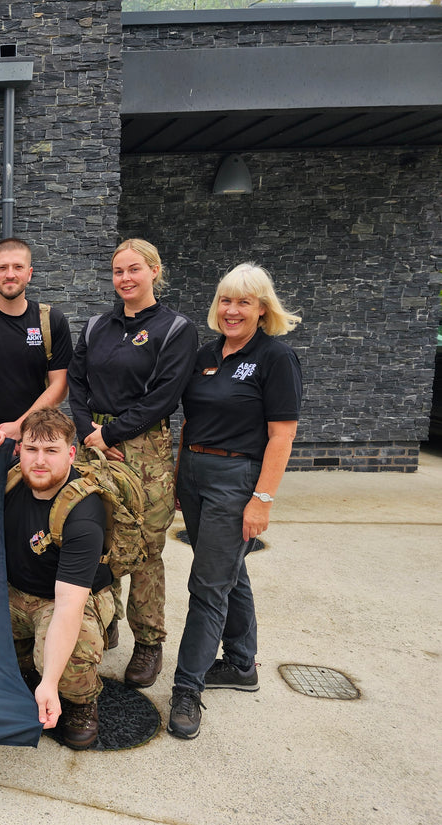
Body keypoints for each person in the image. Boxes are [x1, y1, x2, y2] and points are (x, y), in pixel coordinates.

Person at [167, 263, 302, 740]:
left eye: (244, 301)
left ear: (263, 308)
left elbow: (282, 436)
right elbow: (188, 422)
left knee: (207, 584)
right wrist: (182, 477)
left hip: (236, 479)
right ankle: (242, 665)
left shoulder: (275, 357)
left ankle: (187, 687)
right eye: (226, 300)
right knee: (229, 573)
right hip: (196, 476)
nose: (232, 310)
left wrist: (262, 499)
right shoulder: (206, 355)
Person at [68, 238, 198, 689]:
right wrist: (88, 432)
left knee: (142, 548)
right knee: (97, 539)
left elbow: (165, 394)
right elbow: (76, 382)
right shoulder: (97, 326)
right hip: (93, 446)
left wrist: (111, 433)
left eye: (134, 270)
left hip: (143, 450)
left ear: (154, 271)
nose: (125, 278)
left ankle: (149, 642)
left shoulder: (175, 329)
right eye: (118, 271)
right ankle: (106, 620)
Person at [0, 408, 114, 750]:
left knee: (69, 657)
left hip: (61, 601)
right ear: (18, 449)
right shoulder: (10, 479)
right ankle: (23, 659)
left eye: (51, 451)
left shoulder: (83, 513)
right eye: (32, 449)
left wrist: (50, 683)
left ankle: (81, 702)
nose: (39, 461)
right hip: (13, 591)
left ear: (70, 454)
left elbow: (68, 606)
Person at [0, 238, 73, 439]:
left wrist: (21, 428)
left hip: (37, 438)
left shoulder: (52, 321)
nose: (10, 274)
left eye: (18, 267)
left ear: (29, 273)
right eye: (2, 268)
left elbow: (60, 384)